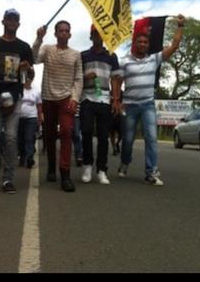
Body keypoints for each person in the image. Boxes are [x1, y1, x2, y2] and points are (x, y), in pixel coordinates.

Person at [117, 14, 185, 186]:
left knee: (152, 137)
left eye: (145, 43)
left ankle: (151, 172)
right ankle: (125, 162)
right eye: (139, 42)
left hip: (147, 104)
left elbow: (174, 45)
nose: (142, 44)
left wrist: (180, 26)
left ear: (148, 45)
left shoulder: (154, 59)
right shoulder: (124, 62)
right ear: (135, 44)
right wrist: (116, 100)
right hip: (130, 106)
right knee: (127, 140)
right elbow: (117, 81)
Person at [0, 8, 33, 194]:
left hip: (15, 97)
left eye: (15, 19)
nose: (12, 22)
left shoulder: (24, 48)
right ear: (3, 22)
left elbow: (30, 75)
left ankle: (8, 179)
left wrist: (27, 69)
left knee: (11, 137)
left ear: (19, 24)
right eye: (9, 19)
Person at [33, 20, 83, 192]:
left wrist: (75, 97)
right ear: (55, 34)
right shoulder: (47, 49)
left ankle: (65, 174)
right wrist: (38, 38)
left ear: (70, 34)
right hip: (48, 97)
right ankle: (51, 167)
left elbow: (79, 78)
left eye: (66, 31)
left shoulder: (76, 54)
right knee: (49, 134)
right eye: (60, 30)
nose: (63, 33)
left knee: (67, 132)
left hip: (66, 99)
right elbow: (33, 58)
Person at [79, 25, 123, 185]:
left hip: (104, 98)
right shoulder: (83, 55)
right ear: (91, 36)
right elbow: (76, 77)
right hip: (87, 98)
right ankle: (87, 165)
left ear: (104, 37)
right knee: (86, 131)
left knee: (104, 136)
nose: (98, 37)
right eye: (95, 34)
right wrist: (85, 76)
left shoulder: (111, 55)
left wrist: (116, 100)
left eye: (101, 34)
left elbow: (116, 79)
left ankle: (102, 170)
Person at [17, 68, 42, 169]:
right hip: (19, 117)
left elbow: (39, 106)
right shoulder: (19, 88)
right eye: (27, 77)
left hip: (31, 117)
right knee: (20, 139)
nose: (28, 80)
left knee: (29, 138)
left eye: (30, 77)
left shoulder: (36, 90)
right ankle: (22, 155)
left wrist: (40, 120)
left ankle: (29, 158)